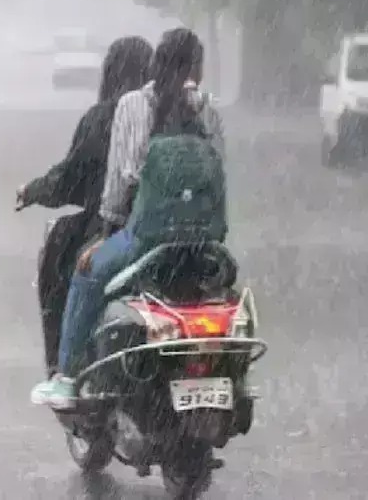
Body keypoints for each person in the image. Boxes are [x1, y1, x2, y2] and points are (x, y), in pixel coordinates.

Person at [31, 27, 225, 408]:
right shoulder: (209, 111)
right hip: (203, 242)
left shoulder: (133, 106)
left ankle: (67, 377)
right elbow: (219, 174)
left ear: (156, 66)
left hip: (144, 239)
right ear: (198, 71)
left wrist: (106, 233)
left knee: (86, 274)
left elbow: (120, 183)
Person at [17, 36, 153, 378]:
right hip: (160, 227)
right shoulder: (167, 116)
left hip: (116, 227)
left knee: (64, 254)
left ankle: (64, 365)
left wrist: (32, 191)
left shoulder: (103, 117)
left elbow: (71, 180)